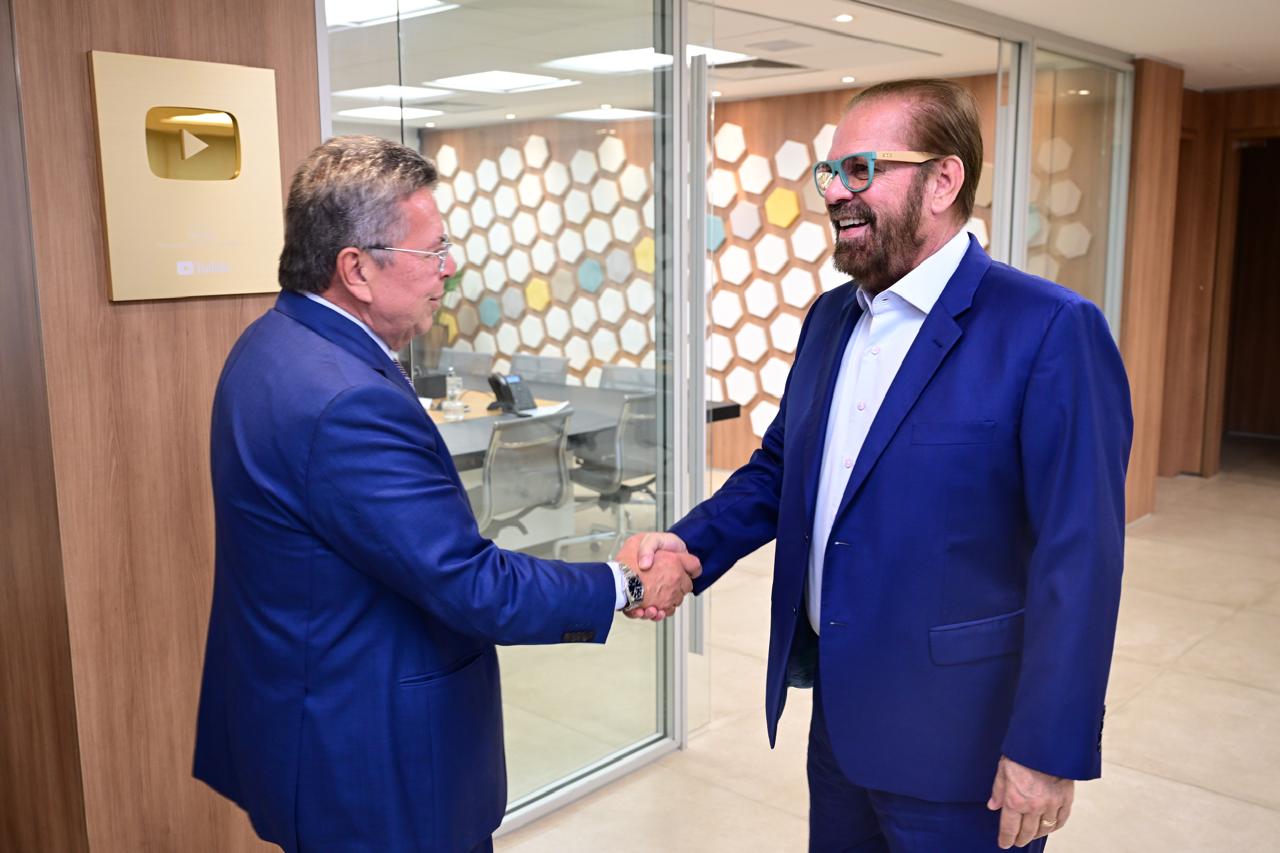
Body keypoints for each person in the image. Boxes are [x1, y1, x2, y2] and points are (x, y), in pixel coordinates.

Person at [630, 79, 1132, 851]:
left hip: (967, 750)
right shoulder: (831, 317)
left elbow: (1082, 556)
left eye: (861, 169)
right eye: (830, 173)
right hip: (841, 730)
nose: (836, 192)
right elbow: (781, 469)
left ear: (943, 180)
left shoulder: (1049, 329)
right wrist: (690, 546)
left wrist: (1047, 747)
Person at [193, 135, 698, 853]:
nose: (449, 268)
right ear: (357, 269)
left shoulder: (272, 345)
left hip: (304, 719)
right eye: (432, 251)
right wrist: (625, 582)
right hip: (371, 764)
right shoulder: (346, 399)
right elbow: (468, 582)